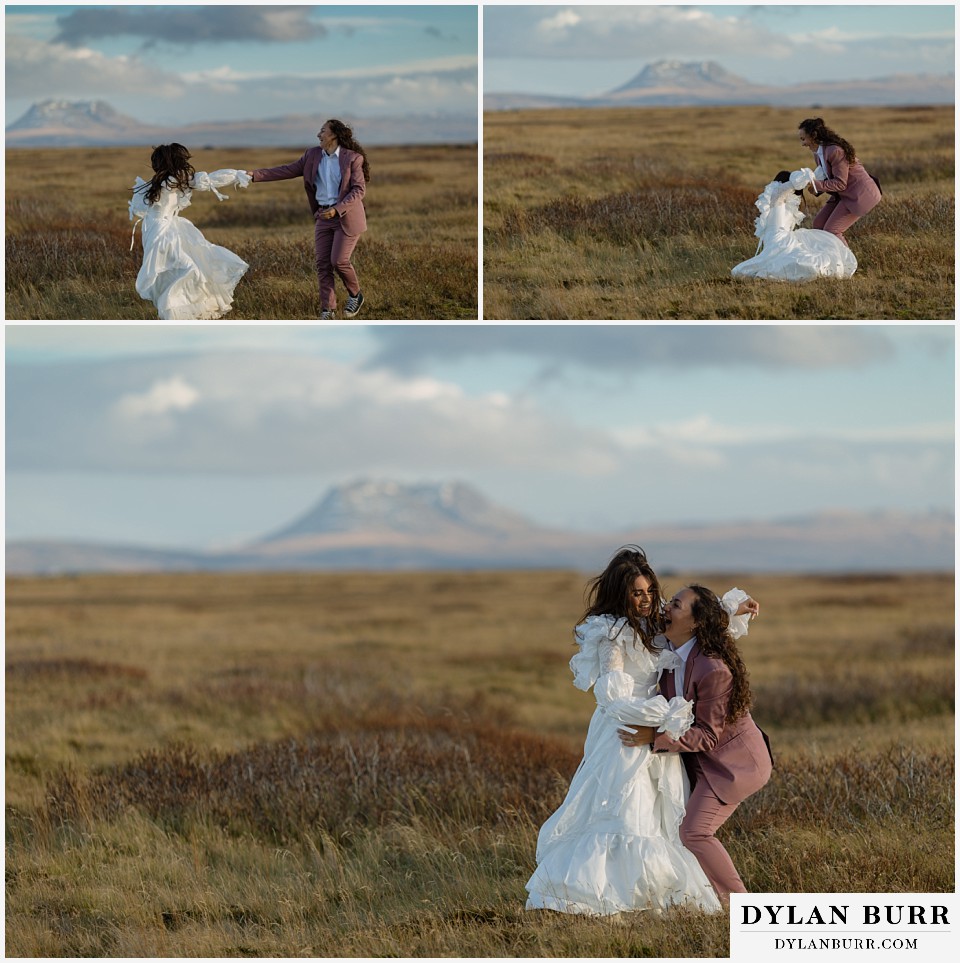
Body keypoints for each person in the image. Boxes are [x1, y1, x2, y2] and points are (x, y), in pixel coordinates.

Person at [525, 547, 759, 916]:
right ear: (622, 594)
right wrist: (657, 714)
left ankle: (658, 896)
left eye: (651, 591)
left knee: (662, 817)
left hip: (659, 735)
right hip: (626, 731)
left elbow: (694, 626)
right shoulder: (611, 635)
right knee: (625, 813)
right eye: (638, 592)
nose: (648, 599)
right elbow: (611, 695)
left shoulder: (654, 624)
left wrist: (732, 610)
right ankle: (608, 897)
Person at [619, 584, 773, 907]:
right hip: (697, 760)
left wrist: (654, 738)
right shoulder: (671, 646)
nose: (665, 608)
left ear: (693, 623)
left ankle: (741, 908)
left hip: (734, 765)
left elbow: (707, 735)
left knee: (694, 832)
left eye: (675, 605)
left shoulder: (713, 669)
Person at [248, 119, 369, 320]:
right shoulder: (312, 155)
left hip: (346, 217)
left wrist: (337, 210)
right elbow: (287, 170)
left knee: (339, 261)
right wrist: (254, 175)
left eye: (322, 131)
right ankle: (327, 310)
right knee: (323, 264)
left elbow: (359, 190)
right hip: (322, 216)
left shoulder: (353, 158)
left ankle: (356, 295)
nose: (318, 134)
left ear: (334, 135)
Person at [129, 144, 251, 320]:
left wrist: (236, 175)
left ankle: (177, 310)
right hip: (162, 232)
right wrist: (237, 175)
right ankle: (172, 310)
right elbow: (209, 180)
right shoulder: (171, 181)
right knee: (188, 268)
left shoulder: (164, 181)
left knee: (175, 269)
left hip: (163, 227)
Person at [731, 170, 857, 280]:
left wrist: (804, 179)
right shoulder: (777, 202)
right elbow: (779, 193)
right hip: (779, 241)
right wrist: (797, 180)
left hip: (781, 240)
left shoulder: (784, 204)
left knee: (804, 258)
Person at [793, 117, 882, 247]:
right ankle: (828, 258)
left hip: (859, 195)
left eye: (803, 139)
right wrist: (816, 188)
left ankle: (847, 264)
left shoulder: (835, 151)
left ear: (813, 136)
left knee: (832, 230)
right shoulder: (818, 153)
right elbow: (828, 178)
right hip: (843, 195)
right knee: (818, 225)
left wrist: (815, 185)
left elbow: (840, 183)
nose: (802, 144)